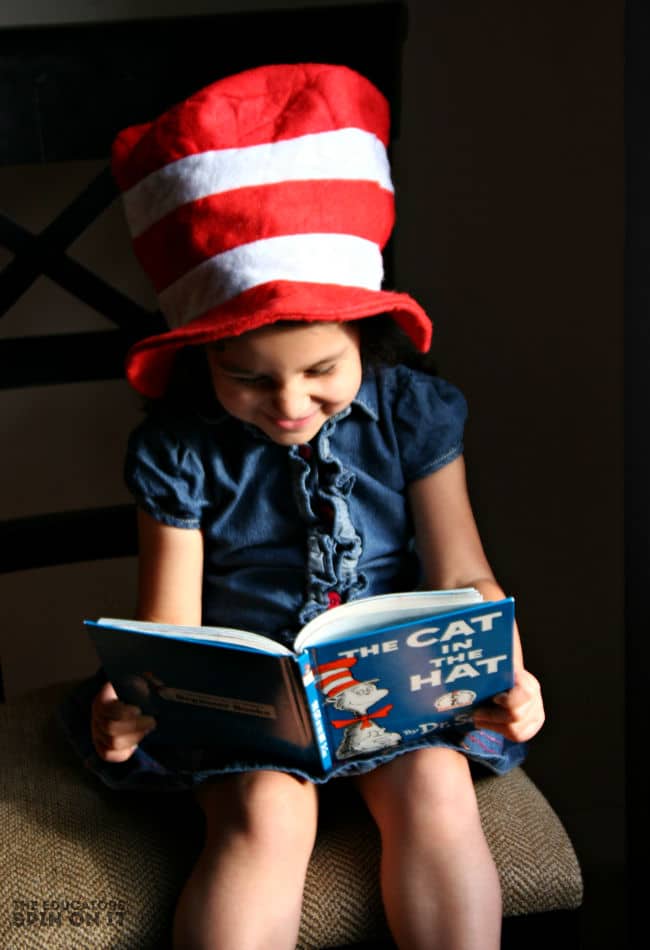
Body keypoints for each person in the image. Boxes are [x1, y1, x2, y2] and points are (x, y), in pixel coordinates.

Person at [62, 64, 544, 950]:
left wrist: (507, 673)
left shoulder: (411, 413)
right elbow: (168, 625)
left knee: (436, 790)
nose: (287, 404)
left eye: (321, 372)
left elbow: (464, 571)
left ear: (368, 334)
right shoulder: (179, 448)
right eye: (246, 377)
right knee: (266, 816)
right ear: (199, 364)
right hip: (249, 711)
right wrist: (128, 703)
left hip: (396, 693)